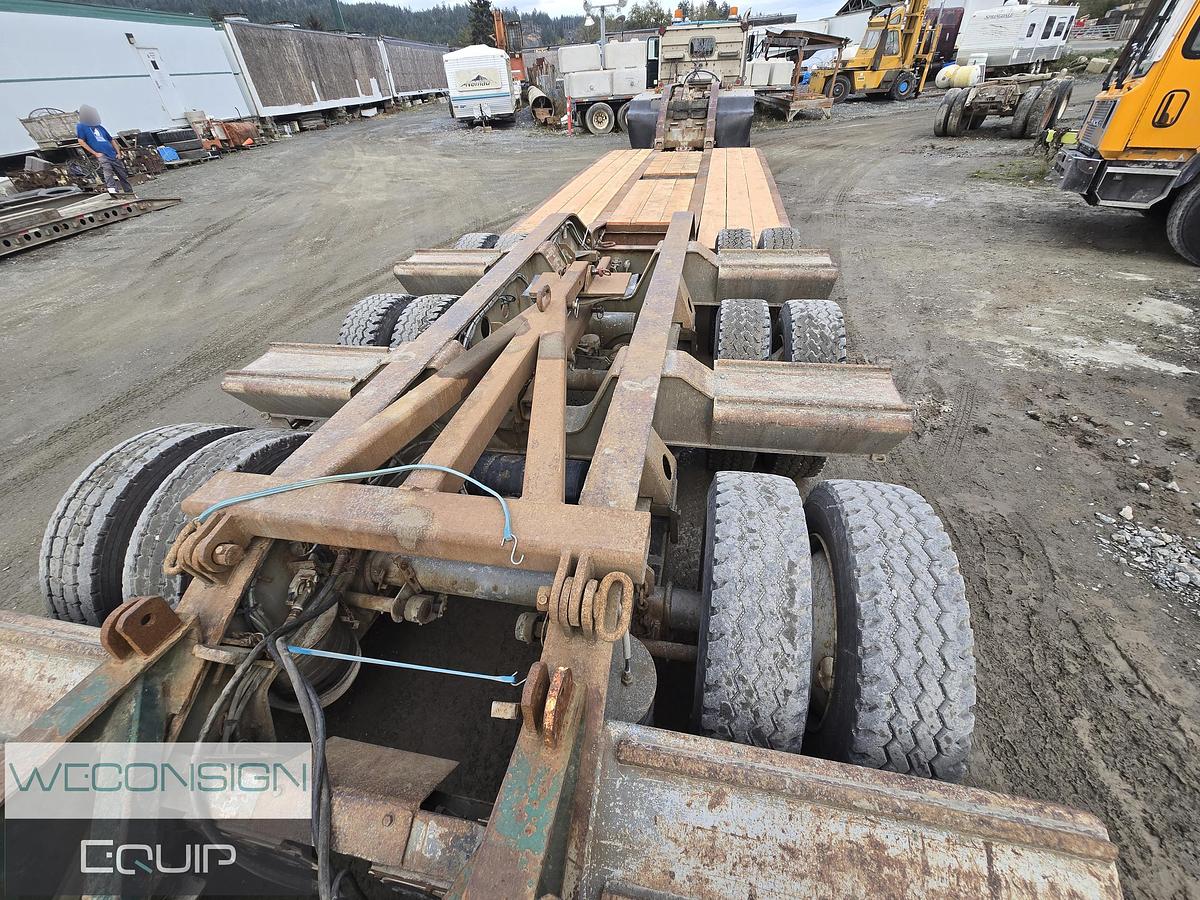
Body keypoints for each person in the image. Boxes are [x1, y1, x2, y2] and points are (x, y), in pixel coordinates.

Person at [75, 105, 133, 194]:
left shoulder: (100, 127)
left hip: (112, 154)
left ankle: (129, 192)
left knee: (122, 174)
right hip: (101, 154)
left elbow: (111, 140)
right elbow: (81, 141)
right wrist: (95, 153)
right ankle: (112, 190)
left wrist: (118, 152)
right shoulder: (81, 126)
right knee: (107, 170)